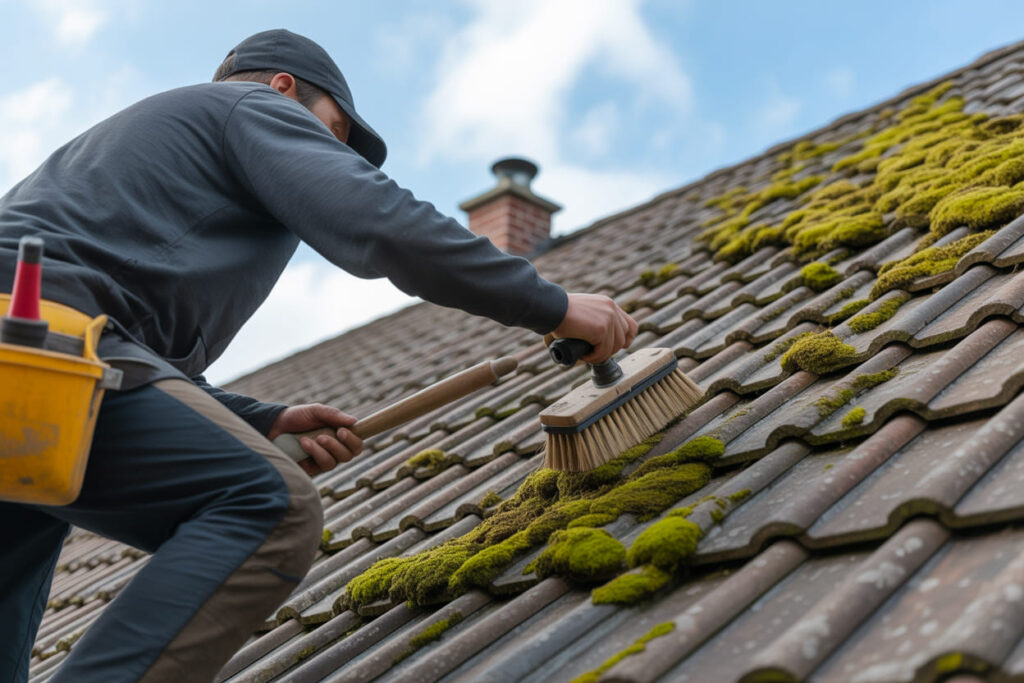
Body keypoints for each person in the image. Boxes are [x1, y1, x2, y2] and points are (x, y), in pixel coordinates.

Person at [0, 29, 638, 682]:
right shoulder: (248, 108)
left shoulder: (143, 168)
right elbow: (381, 220)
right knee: (267, 505)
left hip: (38, 387)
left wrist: (260, 420)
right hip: (36, 349)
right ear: (283, 88)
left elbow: (130, 352)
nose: (328, 158)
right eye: (330, 135)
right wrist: (553, 304)